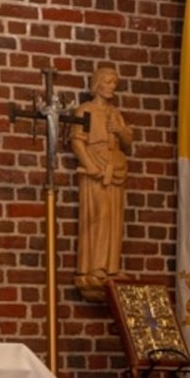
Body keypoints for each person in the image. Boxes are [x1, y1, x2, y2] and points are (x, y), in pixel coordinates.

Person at [72, 62, 132, 296]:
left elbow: (128, 143)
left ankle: (111, 267)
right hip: (96, 168)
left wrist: (120, 131)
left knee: (114, 219)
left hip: (115, 166)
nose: (111, 87)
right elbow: (77, 140)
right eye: (107, 82)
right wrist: (89, 163)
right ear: (96, 85)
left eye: (114, 83)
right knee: (99, 216)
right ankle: (94, 267)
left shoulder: (115, 113)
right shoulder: (85, 110)